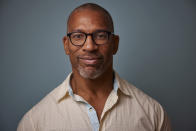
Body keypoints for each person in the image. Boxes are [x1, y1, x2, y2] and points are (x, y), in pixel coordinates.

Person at [17, 3, 172, 131]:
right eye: (78, 36)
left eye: (100, 35)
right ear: (66, 45)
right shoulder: (34, 123)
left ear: (115, 44)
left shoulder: (153, 114)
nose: (90, 46)